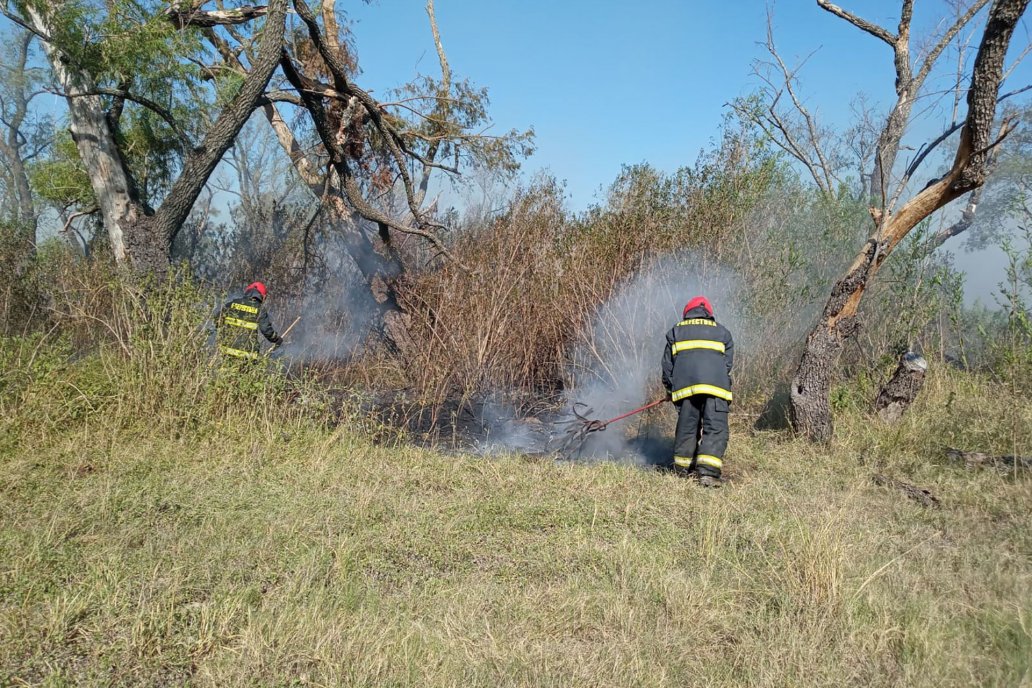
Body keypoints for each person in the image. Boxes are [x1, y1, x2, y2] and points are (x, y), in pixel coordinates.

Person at [660, 296, 734, 487]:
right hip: (717, 388)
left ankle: (682, 470)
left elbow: (668, 366)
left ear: (687, 313)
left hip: (686, 389)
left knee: (687, 427)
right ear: (709, 314)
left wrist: (670, 388)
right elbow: (727, 364)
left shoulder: (676, 331)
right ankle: (708, 474)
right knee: (715, 428)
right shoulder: (723, 332)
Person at [216, 281, 282, 360]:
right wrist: (276, 339)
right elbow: (266, 330)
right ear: (262, 297)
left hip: (227, 351)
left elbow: (217, 320)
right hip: (247, 355)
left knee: (225, 372)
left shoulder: (231, 304)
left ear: (247, 291)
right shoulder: (259, 309)